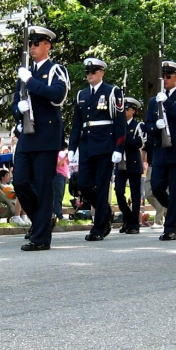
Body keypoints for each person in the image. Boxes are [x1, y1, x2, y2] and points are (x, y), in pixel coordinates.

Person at [13, 26, 70, 251]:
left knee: (43, 186)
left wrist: (32, 83)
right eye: (31, 44)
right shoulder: (25, 73)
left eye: (37, 43)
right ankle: (42, 222)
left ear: (48, 45)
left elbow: (58, 96)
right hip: (27, 136)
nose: (33, 47)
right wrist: (18, 109)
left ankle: (40, 238)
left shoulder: (56, 69)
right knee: (20, 182)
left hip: (47, 135)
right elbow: (16, 102)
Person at [69, 57, 125, 242]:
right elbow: (77, 123)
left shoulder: (112, 92)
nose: (90, 75)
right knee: (83, 184)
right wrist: (72, 147)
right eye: (88, 72)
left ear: (102, 73)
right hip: (86, 145)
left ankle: (99, 227)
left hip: (105, 145)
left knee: (101, 187)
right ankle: (105, 211)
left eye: (93, 72)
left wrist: (119, 147)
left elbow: (120, 123)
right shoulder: (82, 95)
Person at [146, 61, 176, 241]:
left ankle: (170, 227)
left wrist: (168, 103)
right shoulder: (154, 101)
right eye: (162, 76)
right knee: (156, 186)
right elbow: (147, 125)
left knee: (175, 188)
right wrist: (155, 126)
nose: (165, 79)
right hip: (160, 150)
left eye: (168, 76)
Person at [114, 98, 146, 234]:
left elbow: (139, 143)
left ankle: (134, 224)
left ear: (133, 110)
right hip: (121, 163)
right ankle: (128, 218)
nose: (125, 111)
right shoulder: (118, 125)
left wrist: (124, 134)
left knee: (135, 195)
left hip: (133, 163)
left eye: (127, 109)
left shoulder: (138, 125)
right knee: (119, 192)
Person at [54, 142, 70, 220]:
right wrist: (65, 157)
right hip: (58, 175)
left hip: (64, 175)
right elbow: (58, 164)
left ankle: (57, 212)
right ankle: (58, 214)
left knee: (61, 194)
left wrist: (68, 157)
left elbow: (68, 163)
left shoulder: (63, 154)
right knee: (58, 195)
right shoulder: (57, 154)